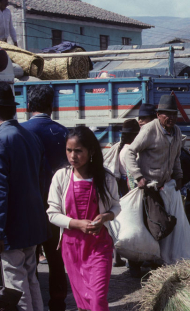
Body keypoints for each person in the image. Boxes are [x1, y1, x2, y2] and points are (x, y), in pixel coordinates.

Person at [47, 127, 121, 311]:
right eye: (69, 150)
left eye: (78, 151)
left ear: (91, 151)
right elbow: (52, 213)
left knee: (97, 299)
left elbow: (116, 206)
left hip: (99, 246)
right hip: (71, 248)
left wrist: (105, 217)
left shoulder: (106, 179)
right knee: (82, 301)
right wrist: (76, 224)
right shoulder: (61, 177)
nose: (72, 156)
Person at [125, 94, 190, 265]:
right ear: (159, 115)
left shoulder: (177, 132)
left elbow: (176, 157)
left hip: (164, 187)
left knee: (161, 225)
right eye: (166, 114)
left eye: (174, 114)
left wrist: (179, 176)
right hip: (147, 187)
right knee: (144, 226)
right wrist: (138, 176)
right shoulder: (150, 130)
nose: (171, 118)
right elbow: (130, 152)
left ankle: (155, 259)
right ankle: (135, 263)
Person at [20, 84, 68, 311]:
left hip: (30, 205)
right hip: (58, 205)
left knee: (29, 257)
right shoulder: (63, 132)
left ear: (28, 106)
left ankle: (34, 300)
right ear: (52, 106)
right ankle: (58, 301)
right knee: (56, 256)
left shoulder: (21, 132)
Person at [0, 83, 47, 311]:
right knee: (31, 279)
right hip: (33, 223)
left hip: (11, 227)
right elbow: (40, 179)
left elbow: (0, 192)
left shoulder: (1, 139)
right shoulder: (29, 137)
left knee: (15, 285)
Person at [118, 119, 140, 196]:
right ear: (133, 136)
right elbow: (131, 175)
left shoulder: (122, 149)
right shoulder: (130, 151)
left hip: (123, 185)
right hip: (129, 186)